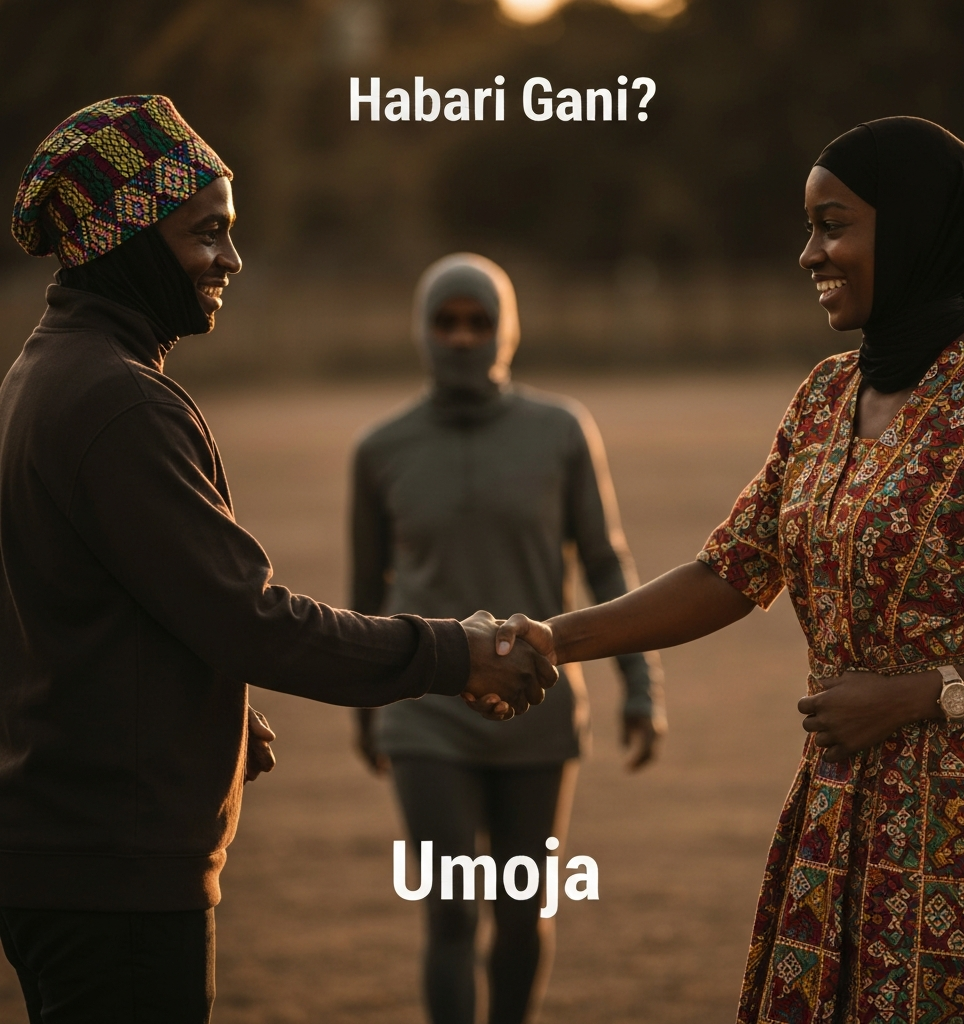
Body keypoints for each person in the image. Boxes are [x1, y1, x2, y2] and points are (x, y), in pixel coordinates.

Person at [0, 95, 555, 1024]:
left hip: (62, 848)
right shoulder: (120, 404)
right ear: (127, 241)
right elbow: (253, 620)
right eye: (205, 233)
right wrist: (457, 651)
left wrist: (209, 707)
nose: (232, 259)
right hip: (116, 869)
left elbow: (95, 599)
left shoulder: (42, 372)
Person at [494, 117, 964, 1022]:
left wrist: (917, 695)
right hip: (836, 808)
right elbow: (731, 572)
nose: (808, 251)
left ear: (913, 228)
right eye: (809, 226)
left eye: (833, 224)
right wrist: (551, 637)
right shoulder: (826, 395)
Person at [350, 253, 665, 1024]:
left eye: (479, 321)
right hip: (424, 712)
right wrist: (365, 709)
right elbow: (365, 593)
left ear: (507, 331)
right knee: (452, 911)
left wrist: (641, 684)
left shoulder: (559, 431)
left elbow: (604, 564)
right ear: (422, 330)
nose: (462, 337)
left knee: (523, 913)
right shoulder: (380, 449)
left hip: (541, 707)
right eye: (446, 322)